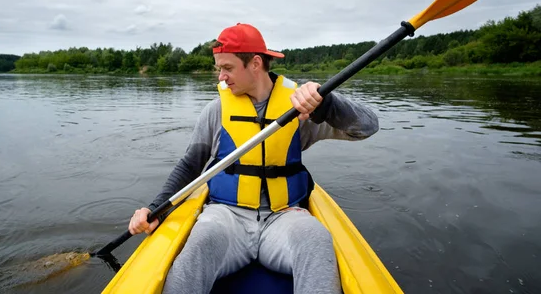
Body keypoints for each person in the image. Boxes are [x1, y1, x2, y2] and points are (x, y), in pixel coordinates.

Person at [128, 23, 379, 294]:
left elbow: (366, 127)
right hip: (227, 218)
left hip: (284, 217)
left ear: (255, 63)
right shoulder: (216, 111)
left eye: (228, 68)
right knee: (201, 241)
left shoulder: (300, 107)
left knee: (316, 239)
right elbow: (191, 165)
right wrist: (156, 208)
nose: (221, 77)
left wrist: (326, 104)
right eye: (219, 68)